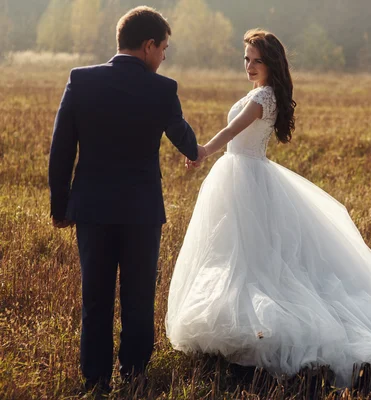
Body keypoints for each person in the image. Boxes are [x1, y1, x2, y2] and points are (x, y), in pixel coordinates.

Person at [166, 29, 371, 391]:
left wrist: (202, 151)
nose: (250, 66)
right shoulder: (262, 93)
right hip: (242, 175)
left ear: (271, 64)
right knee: (237, 254)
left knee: (253, 258)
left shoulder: (264, 97)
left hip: (245, 177)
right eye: (247, 59)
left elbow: (231, 129)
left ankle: (256, 326)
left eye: (257, 60)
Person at [48, 6, 200, 394]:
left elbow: (61, 149)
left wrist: (60, 207)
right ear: (149, 46)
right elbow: (185, 141)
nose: (164, 56)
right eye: (164, 47)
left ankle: (94, 379)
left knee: (94, 298)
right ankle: (135, 376)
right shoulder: (163, 89)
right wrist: (198, 148)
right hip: (140, 212)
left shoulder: (80, 81)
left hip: (92, 210)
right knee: (138, 298)